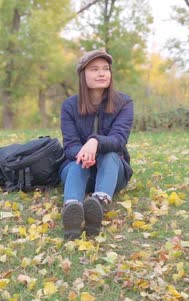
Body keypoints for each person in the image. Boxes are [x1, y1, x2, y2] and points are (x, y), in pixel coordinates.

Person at [59, 50, 134, 240]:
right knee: (78, 161)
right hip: (78, 170)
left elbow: (119, 140)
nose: (102, 73)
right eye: (94, 69)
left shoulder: (123, 103)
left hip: (111, 172)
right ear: (83, 74)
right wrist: (85, 153)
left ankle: (98, 205)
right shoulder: (70, 106)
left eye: (105, 69)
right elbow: (69, 147)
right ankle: (72, 211)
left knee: (109, 154)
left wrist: (94, 142)